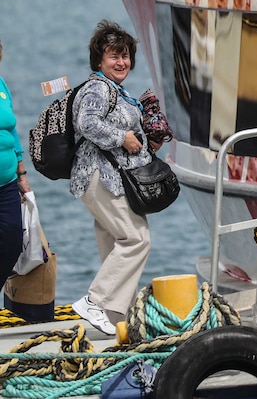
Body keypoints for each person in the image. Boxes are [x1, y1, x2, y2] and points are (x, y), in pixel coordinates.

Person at [70, 20, 162, 335]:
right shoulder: (98, 87)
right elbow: (87, 123)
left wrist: (147, 142)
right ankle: (94, 301)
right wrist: (123, 137)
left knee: (113, 244)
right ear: (99, 61)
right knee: (137, 239)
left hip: (104, 178)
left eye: (125, 56)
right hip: (100, 176)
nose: (121, 62)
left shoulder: (117, 91)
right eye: (113, 56)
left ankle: (114, 318)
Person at [0, 38, 31, 290]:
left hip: (8, 181)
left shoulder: (1, 85)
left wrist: (21, 173)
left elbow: (11, 131)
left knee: (12, 241)